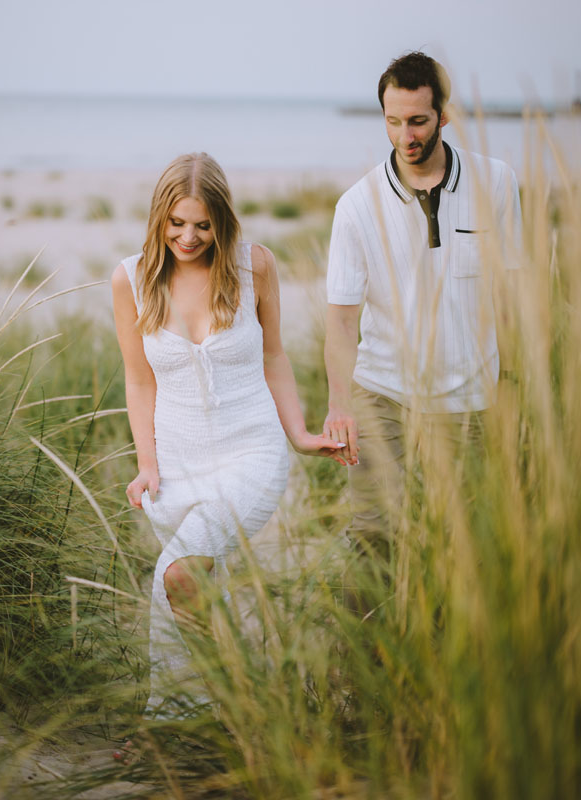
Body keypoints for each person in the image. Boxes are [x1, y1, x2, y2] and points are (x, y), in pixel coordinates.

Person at [112, 152, 344, 727]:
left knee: (180, 575)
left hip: (252, 451)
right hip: (178, 466)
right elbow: (139, 380)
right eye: (176, 222)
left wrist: (300, 435)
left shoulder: (253, 267)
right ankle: (182, 721)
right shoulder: (132, 279)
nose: (188, 237)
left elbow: (275, 356)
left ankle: (242, 711)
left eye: (202, 225)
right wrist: (147, 465)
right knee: (184, 590)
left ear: (222, 221)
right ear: (158, 217)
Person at [322, 51, 523, 611]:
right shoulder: (356, 206)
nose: (405, 135)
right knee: (374, 542)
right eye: (393, 121)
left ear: (443, 114)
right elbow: (340, 321)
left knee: (469, 547)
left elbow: (509, 299)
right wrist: (340, 405)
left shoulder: (497, 183)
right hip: (382, 395)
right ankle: (358, 685)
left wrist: (517, 390)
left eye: (417, 120)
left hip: (471, 400)